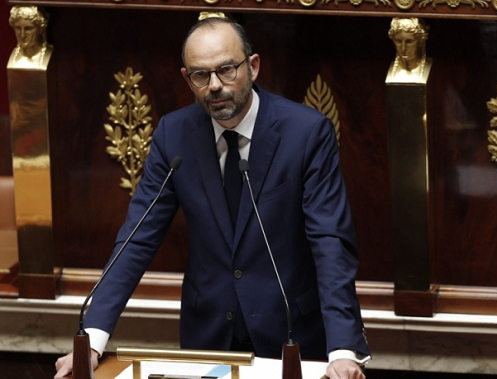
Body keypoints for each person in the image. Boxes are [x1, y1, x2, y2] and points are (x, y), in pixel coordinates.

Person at [55, 16, 370, 379]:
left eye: (226, 70)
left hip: (291, 337)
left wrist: (344, 349)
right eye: (201, 76)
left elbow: (329, 241)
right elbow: (137, 239)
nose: (215, 86)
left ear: (252, 67)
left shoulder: (306, 133)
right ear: (187, 78)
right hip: (207, 339)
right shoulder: (174, 135)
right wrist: (92, 339)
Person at [386, 17, 431, 83]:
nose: (403, 48)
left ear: (421, 41)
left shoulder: (436, 69)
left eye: (409, 41)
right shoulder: (384, 69)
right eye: (398, 41)